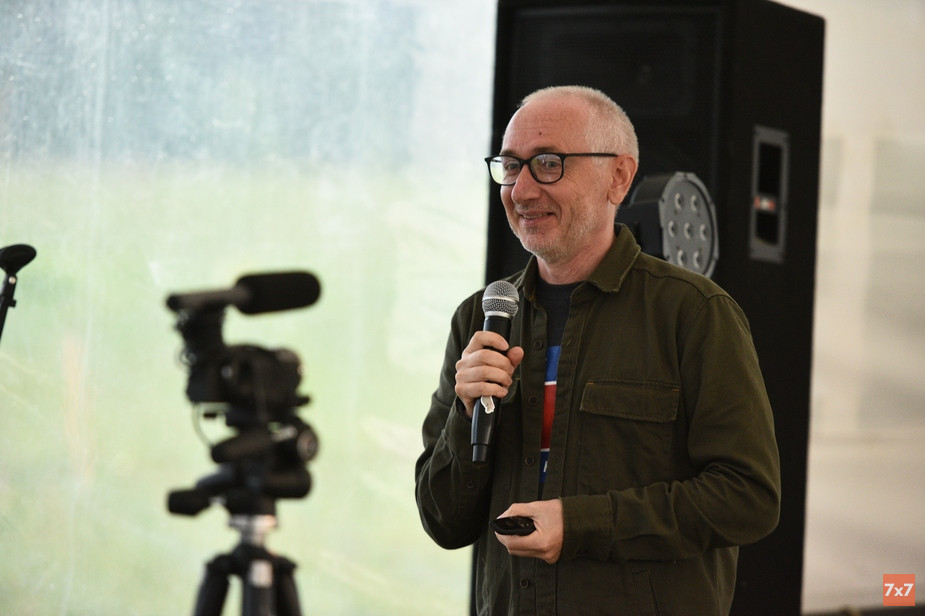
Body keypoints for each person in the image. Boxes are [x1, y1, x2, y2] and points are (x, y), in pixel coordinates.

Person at [414, 85, 780, 615]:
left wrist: (581, 524)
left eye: (549, 164)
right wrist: (466, 413)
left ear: (619, 177)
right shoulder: (481, 317)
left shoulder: (694, 312)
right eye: (510, 166)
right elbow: (442, 521)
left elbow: (748, 498)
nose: (522, 190)